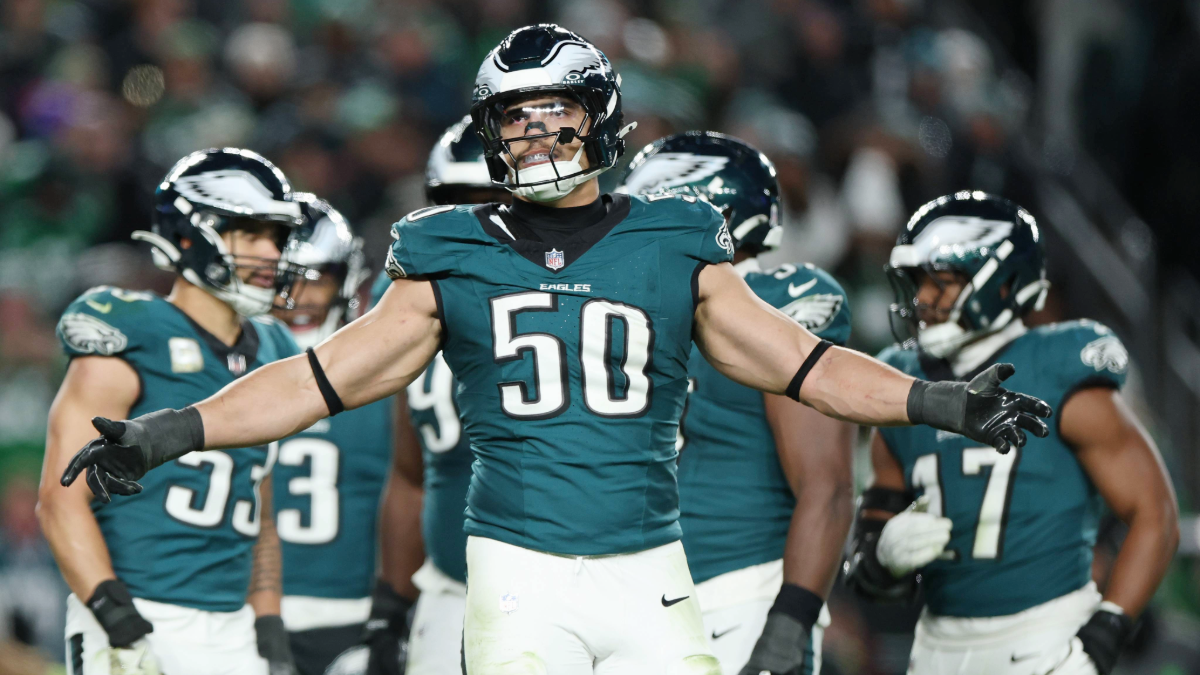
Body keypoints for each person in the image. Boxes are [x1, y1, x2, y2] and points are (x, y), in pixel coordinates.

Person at [61, 26, 1051, 675]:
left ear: (602, 118)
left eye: (555, 117)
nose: (535, 140)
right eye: (515, 123)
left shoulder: (672, 239)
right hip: (518, 566)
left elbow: (800, 364)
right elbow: (322, 379)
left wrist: (938, 402)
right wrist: (169, 431)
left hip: (653, 566)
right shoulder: (446, 248)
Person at [844, 192, 1179, 675]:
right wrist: (884, 555)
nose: (924, 300)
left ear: (1001, 285)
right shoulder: (901, 380)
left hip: (1044, 635)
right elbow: (867, 562)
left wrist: (1103, 636)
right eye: (920, 283)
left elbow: (1155, 511)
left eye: (944, 283)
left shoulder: (1059, 366)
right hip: (935, 645)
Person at [37, 148, 306, 674]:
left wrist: (268, 625)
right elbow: (59, 497)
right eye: (250, 233)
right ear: (190, 235)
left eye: (275, 236)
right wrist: (115, 616)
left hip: (232, 624)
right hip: (140, 607)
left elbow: (261, 505)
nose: (270, 253)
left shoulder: (275, 346)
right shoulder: (134, 332)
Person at [620, 131, 855, 675]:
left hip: (737, 595)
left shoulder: (783, 300)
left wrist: (790, 620)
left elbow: (828, 483)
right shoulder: (623, 309)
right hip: (628, 599)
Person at [366, 115, 513, 675]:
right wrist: (391, 605)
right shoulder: (406, 291)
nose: (472, 220)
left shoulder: (576, 284)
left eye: (490, 201)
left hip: (563, 588)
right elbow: (411, 473)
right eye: (454, 201)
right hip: (449, 591)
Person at [268, 194, 394, 675]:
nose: (298, 296)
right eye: (283, 281)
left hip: (353, 613)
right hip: (243, 609)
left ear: (346, 280)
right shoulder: (223, 377)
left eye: (315, 278)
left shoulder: (386, 381)